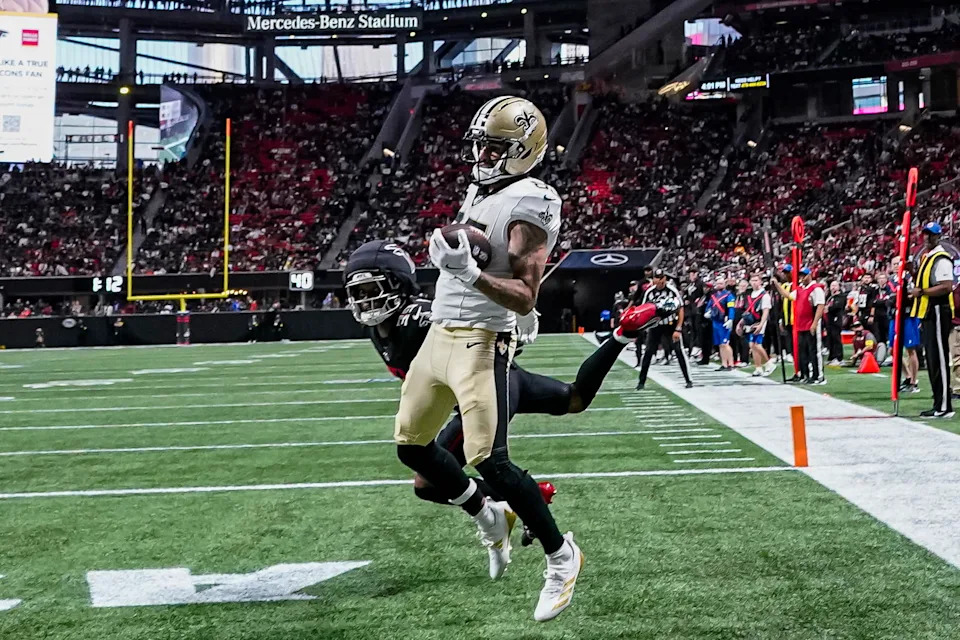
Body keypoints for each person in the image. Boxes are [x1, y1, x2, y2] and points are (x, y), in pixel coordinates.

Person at [343, 239, 660, 548]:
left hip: (489, 388)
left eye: (372, 290)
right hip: (507, 383)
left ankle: (527, 501)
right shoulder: (379, 327)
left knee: (429, 482)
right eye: (358, 292)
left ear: (399, 284)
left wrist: (510, 319)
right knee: (575, 399)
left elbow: (474, 324)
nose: (365, 300)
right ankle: (623, 334)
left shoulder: (422, 317)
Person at [394, 96, 580, 621]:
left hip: (482, 339)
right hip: (440, 332)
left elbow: (526, 295)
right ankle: (488, 514)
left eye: (493, 147)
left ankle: (561, 557)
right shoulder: (485, 186)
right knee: (412, 447)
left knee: (488, 459)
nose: (481, 154)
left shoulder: (533, 201)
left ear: (523, 150)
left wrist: (471, 274)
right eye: (479, 144)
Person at [908, 222, 955, 418]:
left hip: (937, 310)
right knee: (932, 359)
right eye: (925, 234)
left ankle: (945, 405)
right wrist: (912, 271)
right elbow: (923, 281)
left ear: (938, 237)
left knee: (940, 358)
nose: (926, 237)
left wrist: (922, 292)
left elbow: (946, 286)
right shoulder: (927, 257)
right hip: (927, 311)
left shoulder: (941, 258)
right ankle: (938, 403)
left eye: (931, 235)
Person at [636, 269, 693, 390]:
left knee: (679, 350)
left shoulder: (672, 290)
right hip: (655, 325)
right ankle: (641, 382)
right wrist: (645, 326)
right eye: (656, 278)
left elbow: (680, 308)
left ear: (664, 279)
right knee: (648, 352)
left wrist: (678, 328)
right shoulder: (649, 292)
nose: (658, 280)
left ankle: (688, 379)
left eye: (660, 278)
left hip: (671, 324)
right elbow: (643, 309)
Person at [774, 267, 825, 384]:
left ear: (810, 275)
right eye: (800, 275)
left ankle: (819, 376)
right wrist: (777, 285)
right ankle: (807, 374)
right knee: (803, 351)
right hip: (801, 324)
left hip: (811, 323)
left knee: (814, 351)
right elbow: (788, 295)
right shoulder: (800, 289)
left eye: (804, 275)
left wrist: (814, 323)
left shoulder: (816, 289)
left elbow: (820, 306)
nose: (802, 277)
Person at [742, 273, 775, 377]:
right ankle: (758, 367)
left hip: (759, 321)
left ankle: (769, 363)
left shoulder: (764, 295)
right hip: (751, 321)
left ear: (760, 282)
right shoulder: (750, 294)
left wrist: (761, 324)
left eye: (756, 280)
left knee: (757, 344)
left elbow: (766, 311)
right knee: (752, 345)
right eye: (752, 280)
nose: (754, 282)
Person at [706, 275, 736, 371]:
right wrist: (707, 312)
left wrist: (731, 319)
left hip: (724, 321)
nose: (719, 285)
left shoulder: (728, 295)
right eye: (718, 283)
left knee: (725, 343)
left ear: (725, 284)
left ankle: (730, 363)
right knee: (720, 344)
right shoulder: (713, 296)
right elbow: (709, 306)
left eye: (721, 283)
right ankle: (724, 364)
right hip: (715, 321)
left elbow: (731, 308)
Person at [825, 280, 846, 365]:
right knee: (830, 338)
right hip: (829, 320)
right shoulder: (830, 297)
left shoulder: (841, 296)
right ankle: (832, 356)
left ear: (839, 287)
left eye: (835, 285)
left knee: (836, 338)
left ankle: (839, 357)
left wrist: (828, 308)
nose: (833, 287)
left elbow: (837, 306)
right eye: (832, 285)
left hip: (836, 319)